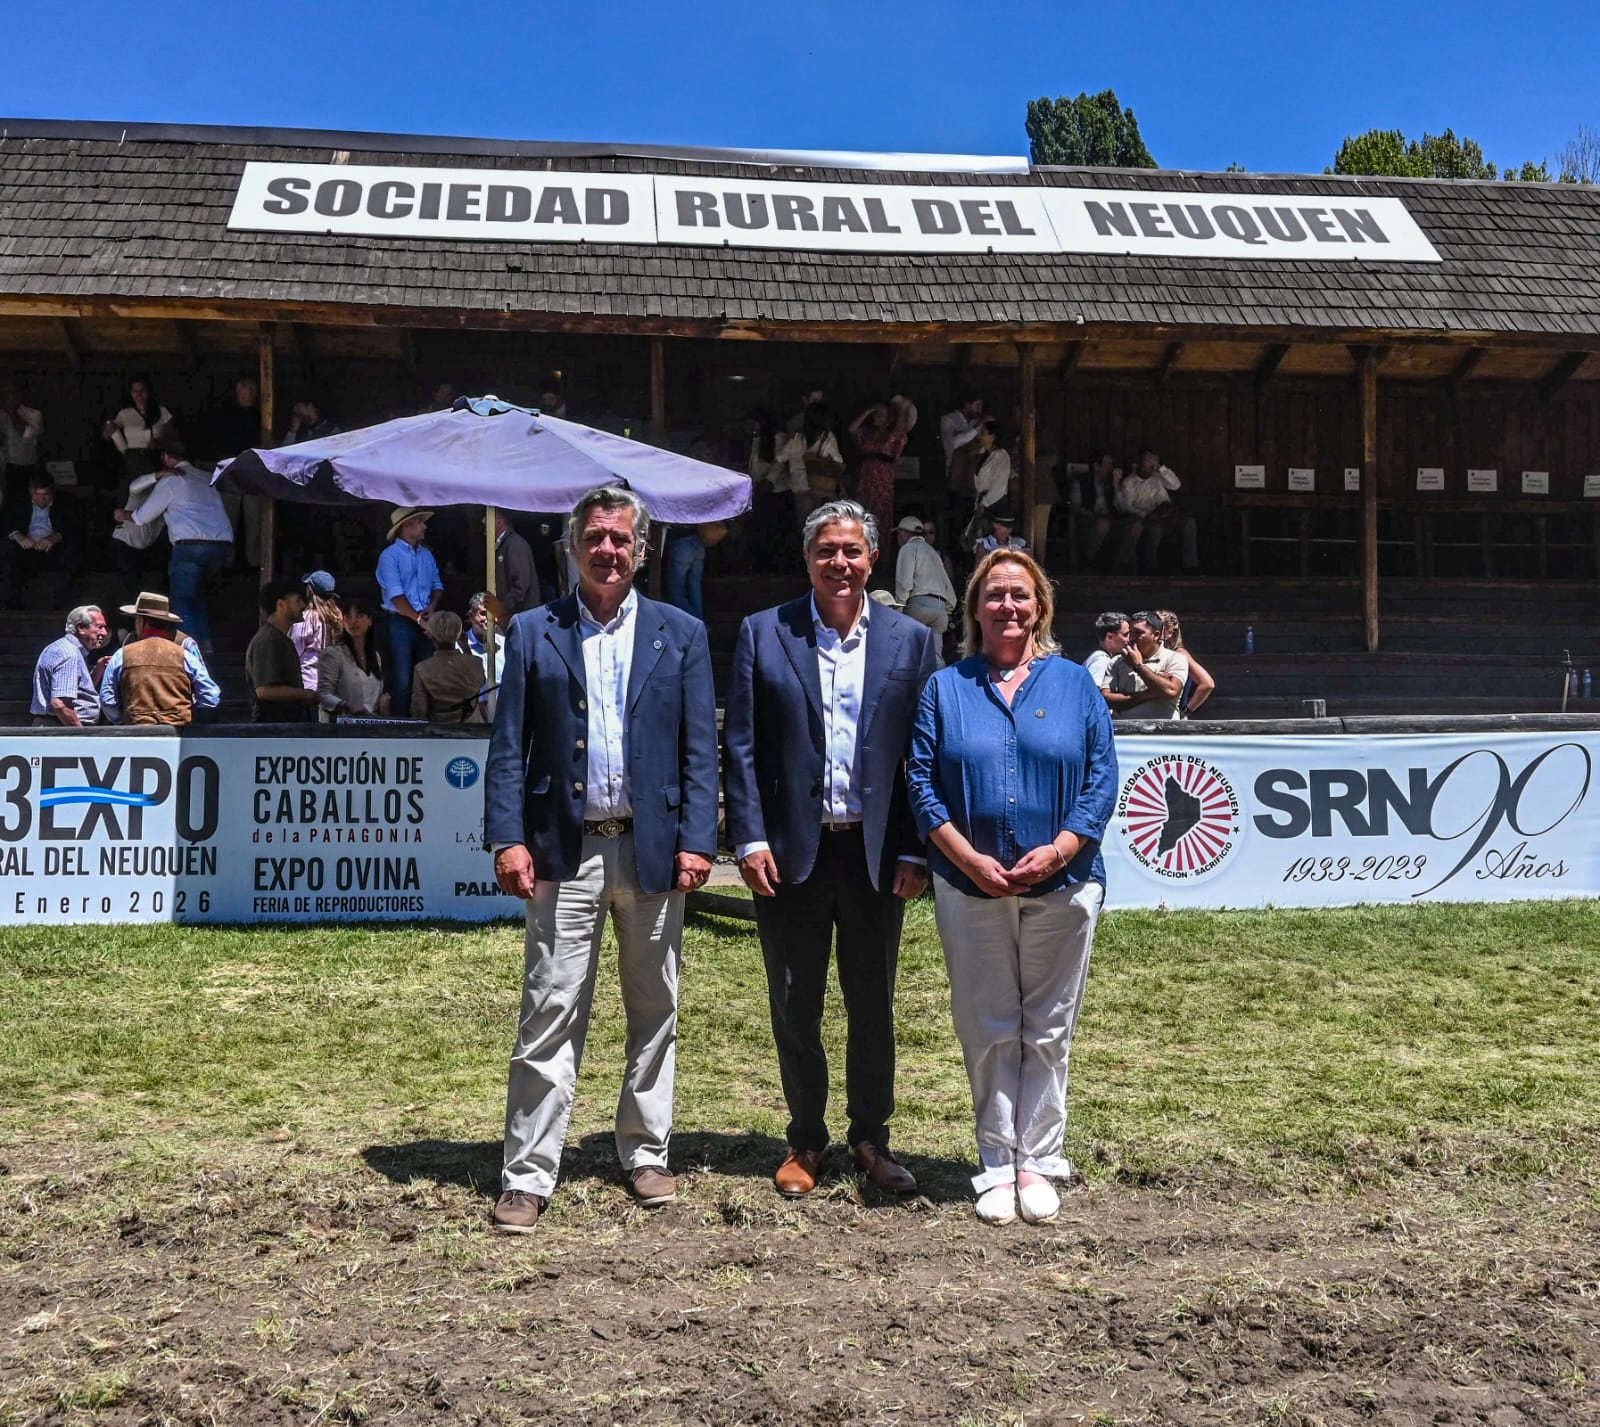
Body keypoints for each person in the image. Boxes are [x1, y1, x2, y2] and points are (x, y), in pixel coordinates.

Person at [484, 486, 718, 1232]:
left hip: (651, 851)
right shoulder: (532, 631)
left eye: (621, 538)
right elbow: (508, 748)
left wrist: (697, 840)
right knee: (549, 1009)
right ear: (572, 548)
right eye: (595, 537)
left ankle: (646, 1150)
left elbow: (699, 749)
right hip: (564, 851)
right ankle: (528, 1171)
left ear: (641, 550)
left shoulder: (681, 633)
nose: (607, 550)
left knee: (655, 1007)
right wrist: (508, 837)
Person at [723, 499, 939, 1200]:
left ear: (873, 558)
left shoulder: (912, 641)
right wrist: (749, 837)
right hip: (791, 852)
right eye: (826, 550)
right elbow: (742, 745)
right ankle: (806, 1138)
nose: (839, 562)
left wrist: (915, 849)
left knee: (873, 1002)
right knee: (796, 1002)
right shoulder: (764, 631)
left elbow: (922, 753)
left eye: (851, 550)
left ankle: (871, 1137)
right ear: (807, 559)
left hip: (876, 856)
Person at [906, 549, 1117, 1226]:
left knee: (1049, 1025)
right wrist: (967, 859)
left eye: (1020, 595)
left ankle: (1040, 1158)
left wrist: (1060, 849)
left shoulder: (1075, 684)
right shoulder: (946, 687)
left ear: (1040, 607)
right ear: (974, 608)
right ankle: (998, 1162)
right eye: (993, 594)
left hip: (1065, 884)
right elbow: (920, 782)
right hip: (970, 887)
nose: (1007, 606)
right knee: (988, 1024)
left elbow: (1102, 778)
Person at [113, 440, 233, 653]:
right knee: (196, 597)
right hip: (222, 545)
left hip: (191, 546)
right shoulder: (207, 477)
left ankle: (189, 653)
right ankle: (206, 648)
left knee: (183, 601)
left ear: (166, 458)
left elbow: (143, 517)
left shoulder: (172, 480)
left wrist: (124, 515)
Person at [99, 591, 221, 725]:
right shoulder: (185, 654)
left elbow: (107, 699)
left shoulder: (123, 653)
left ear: (141, 621)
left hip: (136, 729)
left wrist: (122, 722)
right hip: (177, 729)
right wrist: (187, 718)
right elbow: (210, 695)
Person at [375, 506, 443, 717]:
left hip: (423, 619)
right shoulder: (389, 556)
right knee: (402, 679)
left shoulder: (426, 555)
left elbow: (437, 585)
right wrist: (421, 620)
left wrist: (431, 607)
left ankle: (421, 721)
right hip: (400, 621)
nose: (424, 526)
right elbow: (396, 596)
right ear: (406, 526)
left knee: (424, 677)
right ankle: (401, 724)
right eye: (420, 522)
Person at [245, 577, 319, 723]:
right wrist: (308, 695)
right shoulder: (268, 639)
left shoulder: (281, 638)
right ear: (281, 605)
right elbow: (265, 690)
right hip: (273, 726)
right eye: (297, 601)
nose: (303, 605)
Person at [1113, 448, 1199, 573]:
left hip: (1167, 513)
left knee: (1189, 523)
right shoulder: (1130, 482)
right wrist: (1146, 515)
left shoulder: (1157, 476)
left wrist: (1161, 468)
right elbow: (1125, 506)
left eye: (1151, 465)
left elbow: (1176, 485)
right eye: (1145, 464)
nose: (1147, 468)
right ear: (1139, 462)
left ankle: (1190, 566)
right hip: (1148, 518)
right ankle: (1150, 568)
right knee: (1155, 530)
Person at [208, 376, 263, 567]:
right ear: (238, 390)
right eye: (246, 387)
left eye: (252, 388)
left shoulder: (260, 415)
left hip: (252, 470)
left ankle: (254, 560)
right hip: (231, 470)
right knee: (228, 516)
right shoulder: (226, 414)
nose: (250, 392)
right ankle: (227, 560)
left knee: (254, 516)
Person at [2, 471, 76, 608]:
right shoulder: (18, 502)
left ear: (52, 492)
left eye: (45, 495)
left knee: (71, 552)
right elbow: (6, 524)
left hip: (53, 547)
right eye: (37, 494)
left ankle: (63, 603)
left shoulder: (65, 502)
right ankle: (12, 602)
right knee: (6, 551)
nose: (41, 499)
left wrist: (52, 538)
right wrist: (19, 536)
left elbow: (72, 527)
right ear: (31, 492)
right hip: (25, 546)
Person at [1100, 610, 1190, 720]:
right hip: (1124, 729)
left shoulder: (1174, 658)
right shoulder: (1117, 661)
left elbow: (1171, 691)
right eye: (1130, 633)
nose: (1131, 638)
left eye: (1138, 633)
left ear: (1156, 635)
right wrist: (1148, 694)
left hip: (1163, 729)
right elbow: (1105, 699)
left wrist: (1138, 666)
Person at [30, 604, 109, 726]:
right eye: (100, 627)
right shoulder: (69, 654)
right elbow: (60, 704)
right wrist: (79, 733)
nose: (104, 633)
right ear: (81, 628)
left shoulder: (66, 649)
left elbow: (77, 692)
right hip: (61, 727)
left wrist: (98, 669)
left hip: (59, 724)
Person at [848, 396, 915, 540]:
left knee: (881, 515)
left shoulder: (893, 436)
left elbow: (899, 430)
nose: (877, 417)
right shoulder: (867, 434)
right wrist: (868, 411)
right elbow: (852, 429)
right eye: (876, 414)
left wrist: (902, 410)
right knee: (863, 514)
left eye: (881, 415)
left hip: (883, 478)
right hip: (865, 478)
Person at [893, 515, 957, 659]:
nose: (898, 537)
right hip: (940, 609)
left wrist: (899, 609)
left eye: (899, 532)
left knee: (912, 656)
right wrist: (946, 610)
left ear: (904, 532)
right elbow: (949, 589)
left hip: (918, 606)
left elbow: (904, 582)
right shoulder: (933, 552)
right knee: (936, 658)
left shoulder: (908, 548)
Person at [316, 595, 388, 721]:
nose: (353, 621)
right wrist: (346, 705)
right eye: (348, 616)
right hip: (339, 726)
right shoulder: (333, 654)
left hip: (370, 725)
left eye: (359, 615)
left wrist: (382, 700)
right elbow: (323, 695)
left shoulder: (375, 656)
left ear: (369, 620)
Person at [774, 402, 844, 525]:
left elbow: (780, 458)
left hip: (798, 483)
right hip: (820, 484)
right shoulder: (827, 437)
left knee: (803, 522)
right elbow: (838, 460)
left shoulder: (797, 437)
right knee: (818, 524)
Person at [411, 611, 486, 723]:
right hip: (471, 728)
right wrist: (466, 648)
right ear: (459, 633)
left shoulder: (422, 669)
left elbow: (419, 710)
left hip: (437, 729)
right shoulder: (476, 663)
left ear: (430, 634)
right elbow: (480, 681)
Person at [103, 375, 174, 477]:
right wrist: (109, 427)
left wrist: (159, 443)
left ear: (148, 391)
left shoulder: (162, 411)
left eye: (142, 390)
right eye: (135, 391)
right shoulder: (124, 413)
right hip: (132, 462)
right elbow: (107, 434)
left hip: (155, 460)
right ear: (130, 393)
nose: (139, 395)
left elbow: (174, 440)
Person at [1159, 609, 1216, 717]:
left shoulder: (1179, 653)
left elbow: (1207, 684)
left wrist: (1185, 710)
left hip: (1173, 715)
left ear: (1170, 632)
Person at [291, 571, 341, 690]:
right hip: (331, 684)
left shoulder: (305, 620)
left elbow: (292, 653)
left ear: (309, 590)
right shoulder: (337, 618)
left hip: (307, 685)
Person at [488, 510, 539, 621]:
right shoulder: (504, 544)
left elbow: (521, 586)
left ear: (499, 522)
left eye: (486, 519)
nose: (484, 523)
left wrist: (502, 607)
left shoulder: (514, 544)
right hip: (512, 616)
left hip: (521, 617)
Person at [1083, 611, 1131, 688]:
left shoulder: (1097, 657)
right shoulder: (1101, 661)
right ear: (1109, 637)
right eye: (1125, 635)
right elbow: (1091, 690)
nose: (1129, 639)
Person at [940, 394, 984, 470]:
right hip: (954, 471)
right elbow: (953, 443)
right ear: (967, 405)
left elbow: (982, 446)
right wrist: (977, 428)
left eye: (981, 407)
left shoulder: (975, 422)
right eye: (977, 405)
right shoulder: (948, 420)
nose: (980, 410)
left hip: (972, 469)